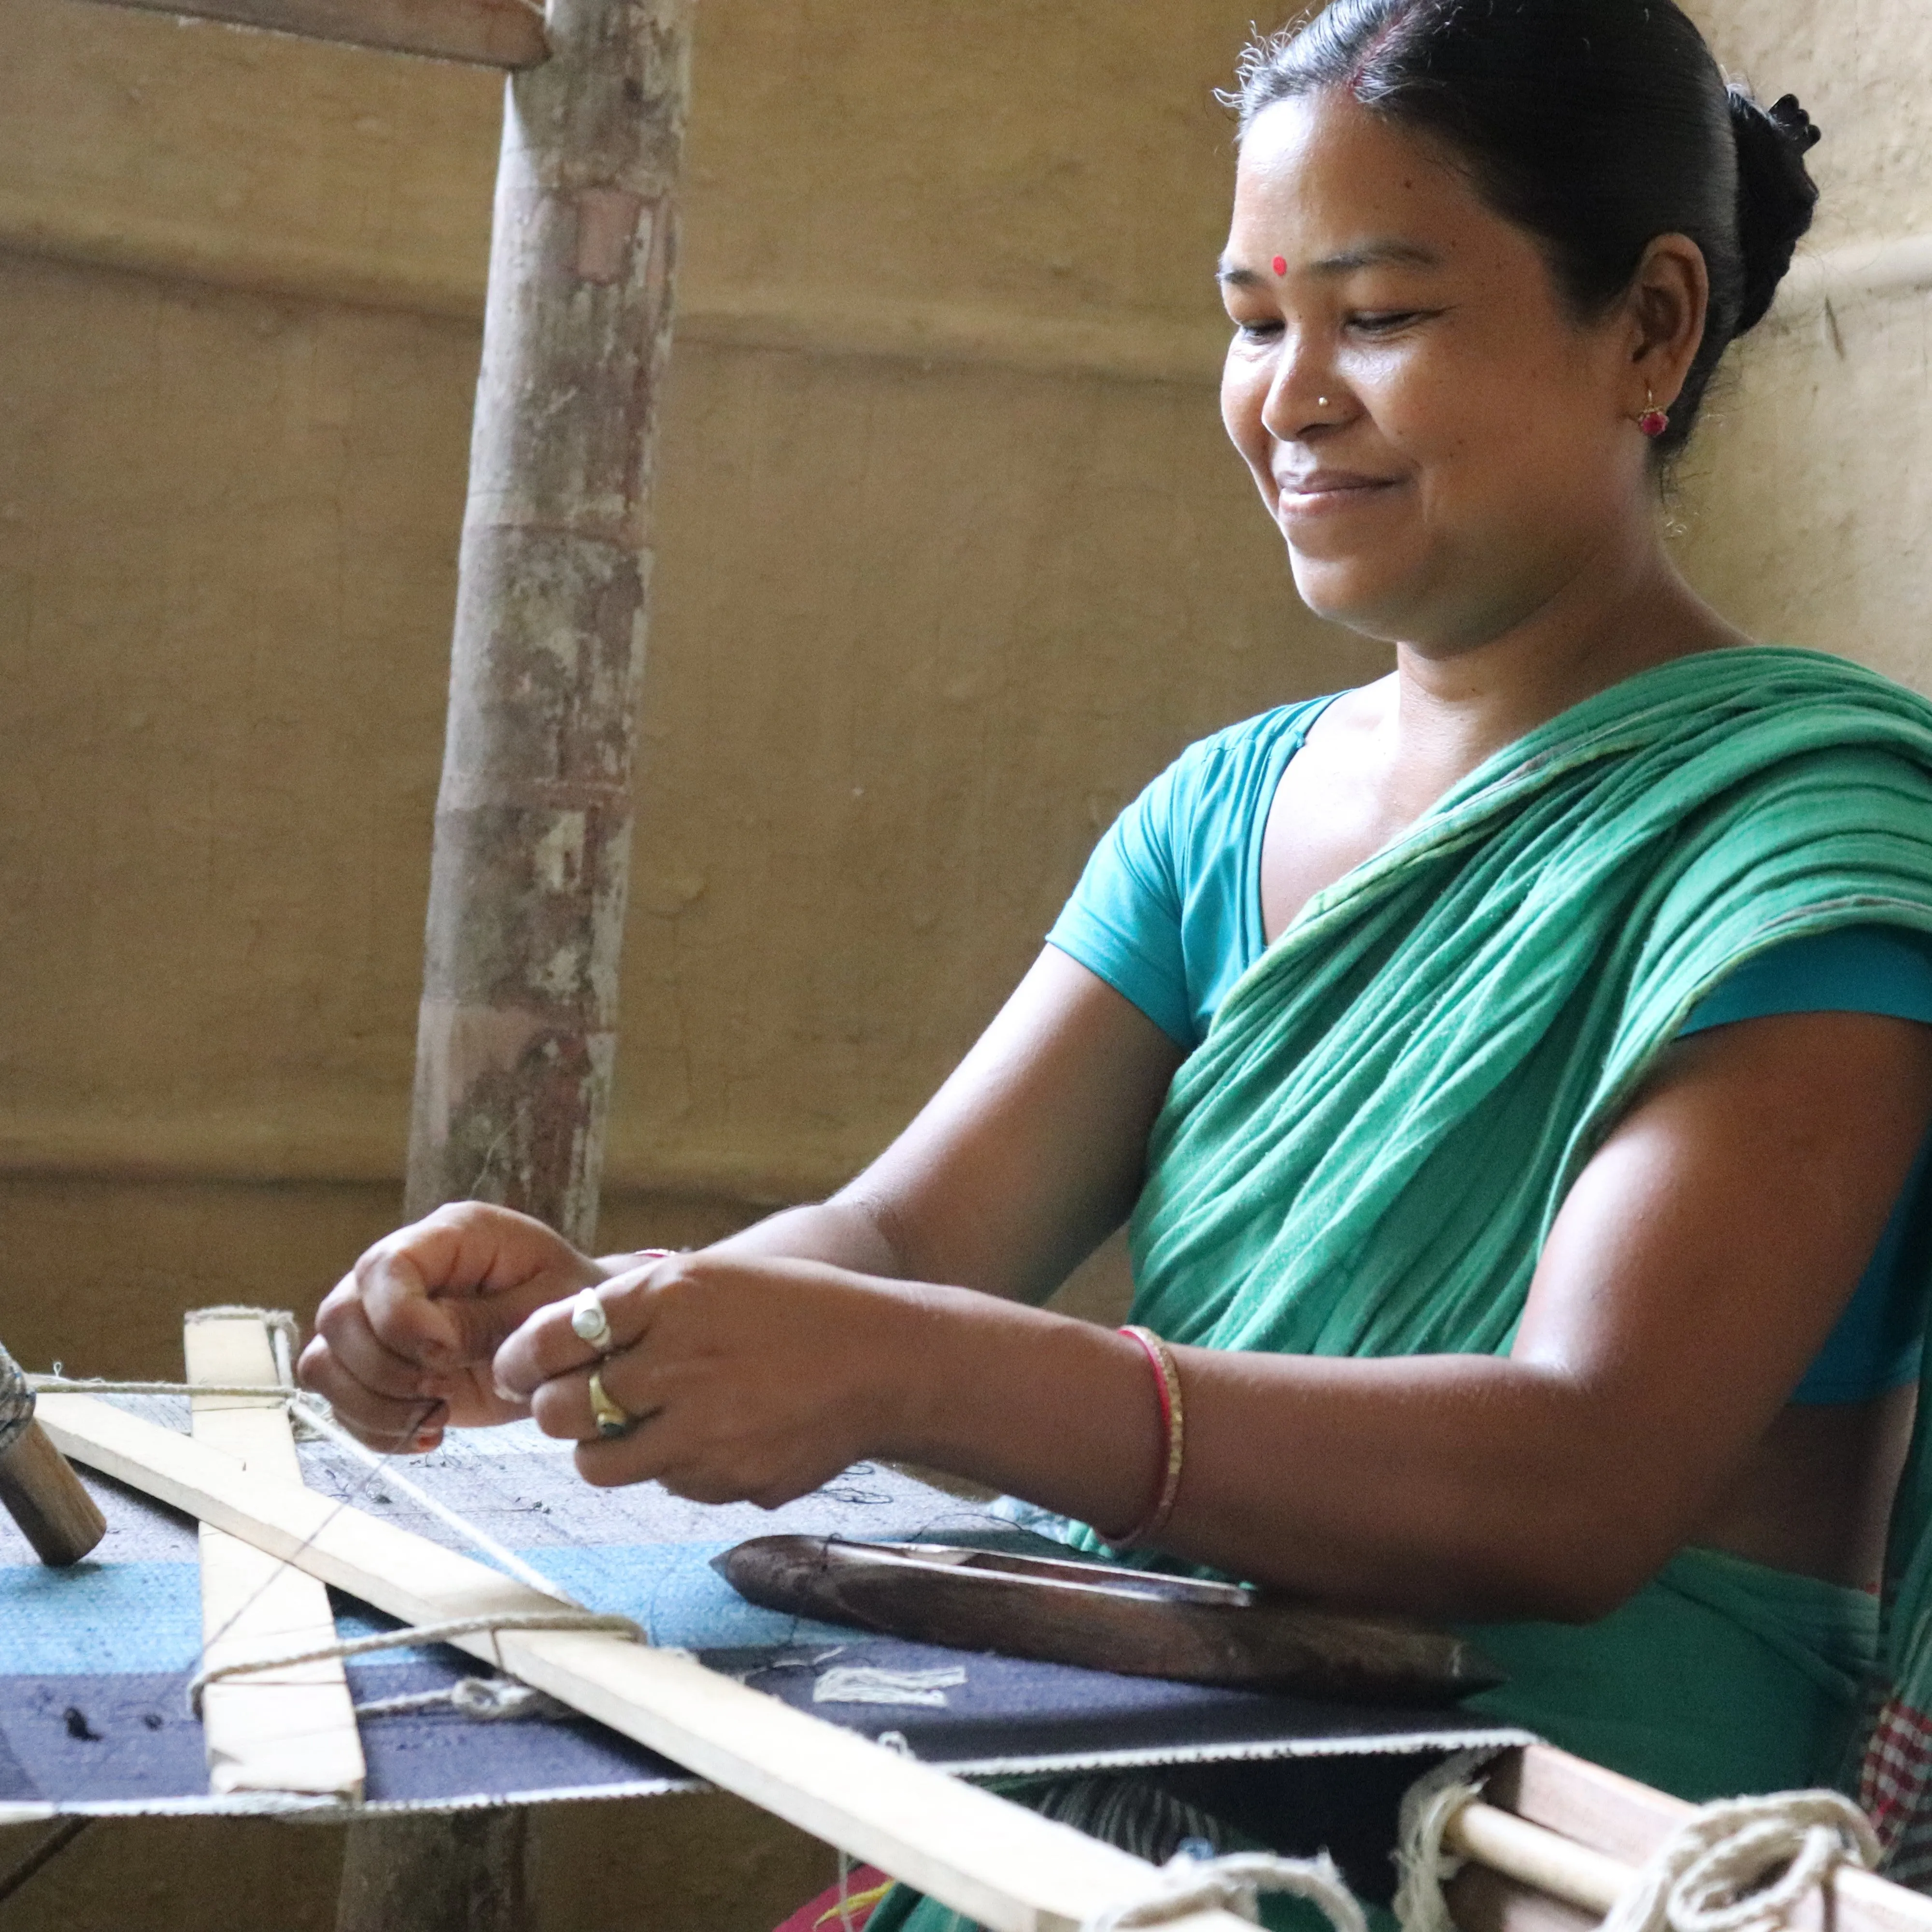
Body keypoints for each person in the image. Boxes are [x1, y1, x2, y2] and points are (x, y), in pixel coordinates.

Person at [301, 0, 1932, 1916]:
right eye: (1253, 320)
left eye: (1380, 316)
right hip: (1140, 1829)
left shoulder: (1808, 841)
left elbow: (1572, 1480)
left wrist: (910, 1371)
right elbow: (906, 1243)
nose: (1289, 394)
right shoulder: (1218, 815)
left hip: (1540, 1863)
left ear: (1647, 326)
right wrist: (622, 1329)